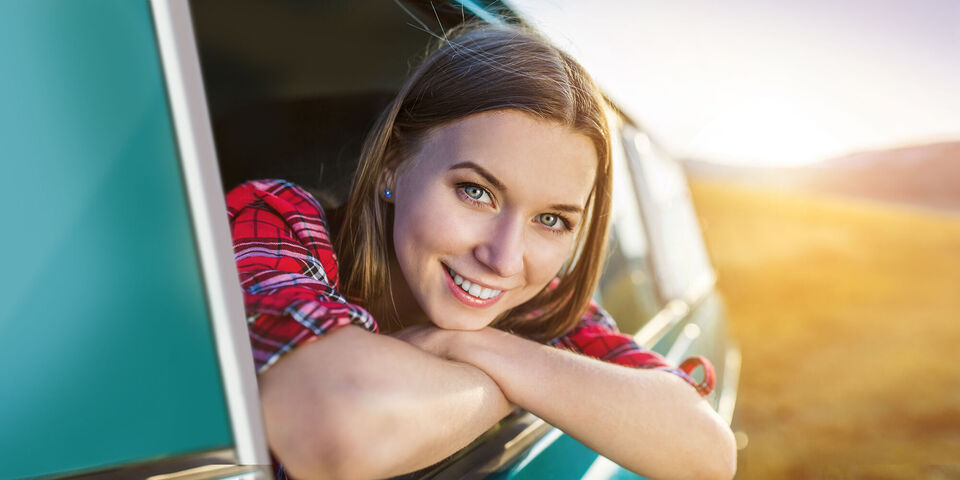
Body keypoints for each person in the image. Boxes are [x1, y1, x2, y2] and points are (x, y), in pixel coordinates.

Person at [225, 25, 737, 480]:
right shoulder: (280, 220)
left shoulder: (542, 306)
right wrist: (526, 383)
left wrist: (477, 350)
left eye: (552, 220)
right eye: (476, 191)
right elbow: (333, 423)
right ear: (392, 166)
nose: (504, 259)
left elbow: (710, 454)